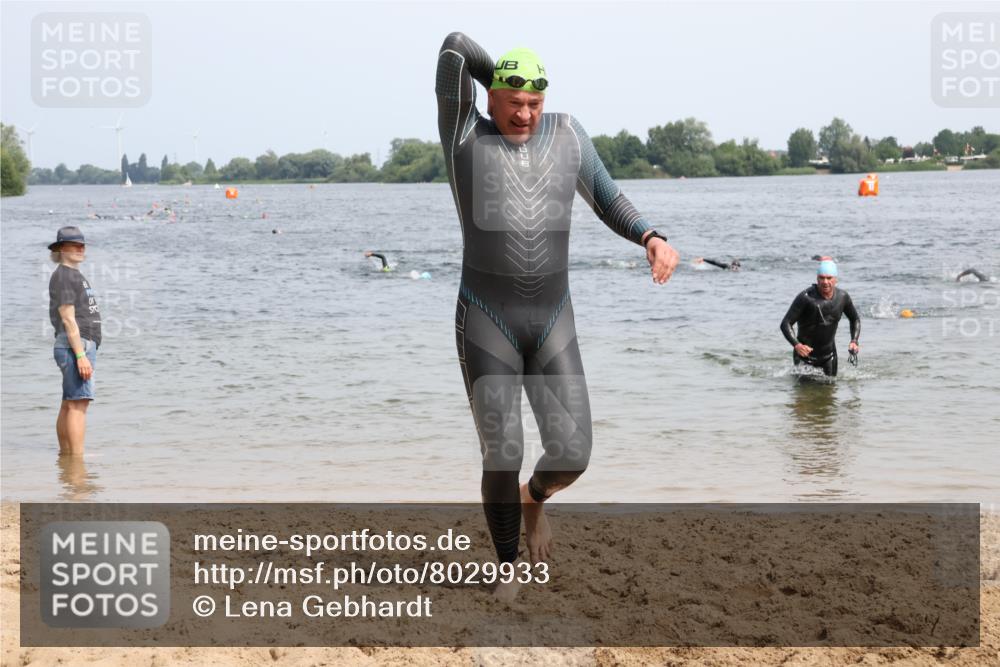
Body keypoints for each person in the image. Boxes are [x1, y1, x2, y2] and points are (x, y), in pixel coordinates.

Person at [436, 32, 679, 579]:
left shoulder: (567, 134)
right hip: (485, 318)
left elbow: (607, 196)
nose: (524, 114)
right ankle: (507, 569)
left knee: (573, 453)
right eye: (513, 101)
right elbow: (454, 48)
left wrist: (650, 237)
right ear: (489, 97)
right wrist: (500, 74)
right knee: (503, 451)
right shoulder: (464, 135)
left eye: (534, 103)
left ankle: (535, 499)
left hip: (552, 319)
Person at [48, 226, 101, 456]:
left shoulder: (70, 274)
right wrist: (80, 355)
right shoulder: (64, 276)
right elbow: (68, 318)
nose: (81, 248)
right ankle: (78, 461)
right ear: (61, 249)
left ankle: (67, 456)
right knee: (78, 404)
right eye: (75, 245)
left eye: (82, 245)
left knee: (69, 403)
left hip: (75, 345)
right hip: (75, 346)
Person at [780, 260, 860, 377]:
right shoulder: (805, 298)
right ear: (817, 279)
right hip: (805, 356)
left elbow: (855, 319)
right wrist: (797, 345)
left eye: (829, 278)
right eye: (821, 278)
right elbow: (786, 323)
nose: (825, 282)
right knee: (805, 389)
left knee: (830, 387)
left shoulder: (843, 297)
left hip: (829, 357)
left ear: (835, 279)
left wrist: (854, 341)